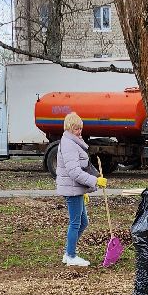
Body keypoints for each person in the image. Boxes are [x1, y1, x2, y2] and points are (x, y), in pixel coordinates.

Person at [54, 111, 106, 268]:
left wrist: (84, 192)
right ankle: (70, 256)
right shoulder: (69, 144)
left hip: (76, 190)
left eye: (80, 128)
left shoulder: (73, 142)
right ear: (69, 128)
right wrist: (95, 181)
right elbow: (74, 172)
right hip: (72, 190)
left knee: (83, 222)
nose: (79, 131)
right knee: (76, 223)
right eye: (76, 128)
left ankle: (68, 252)